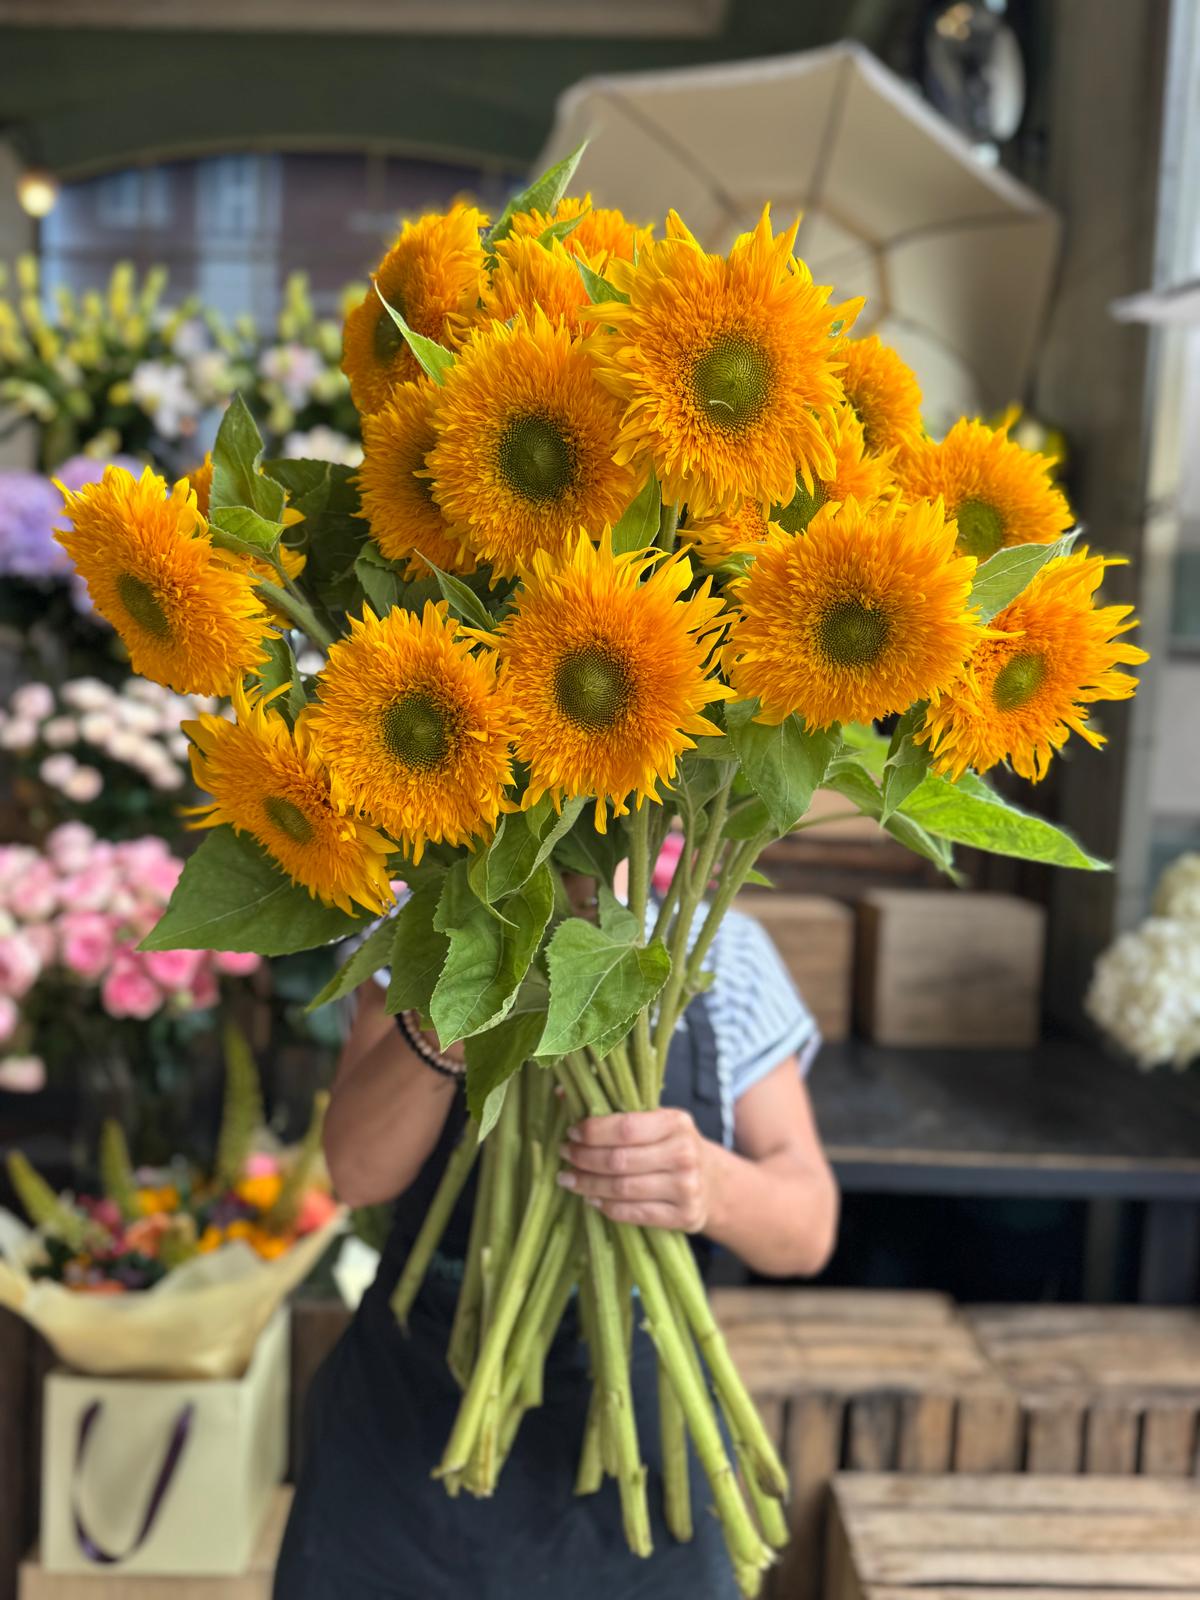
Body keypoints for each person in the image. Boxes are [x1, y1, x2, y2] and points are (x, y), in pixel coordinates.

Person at [274, 891, 839, 1599]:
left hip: (645, 1440)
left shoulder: (719, 942)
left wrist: (712, 1185)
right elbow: (356, 1174)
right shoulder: (429, 922)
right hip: (406, 1434)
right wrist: (445, 1010)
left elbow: (807, 1228)